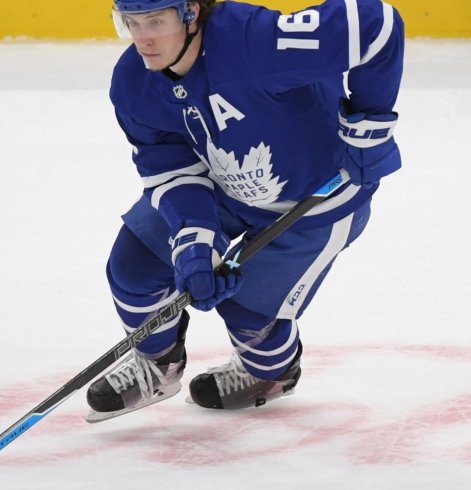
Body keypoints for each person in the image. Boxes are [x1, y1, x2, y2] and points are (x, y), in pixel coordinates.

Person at [85, 0, 404, 422]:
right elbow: (168, 164)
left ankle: (270, 375)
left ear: (191, 12)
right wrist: (194, 237)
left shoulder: (256, 43)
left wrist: (368, 127)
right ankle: (157, 363)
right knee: (134, 268)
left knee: (248, 313)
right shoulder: (134, 82)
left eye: (156, 21)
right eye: (131, 22)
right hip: (224, 185)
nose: (142, 38)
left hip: (315, 201)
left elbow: (375, 23)